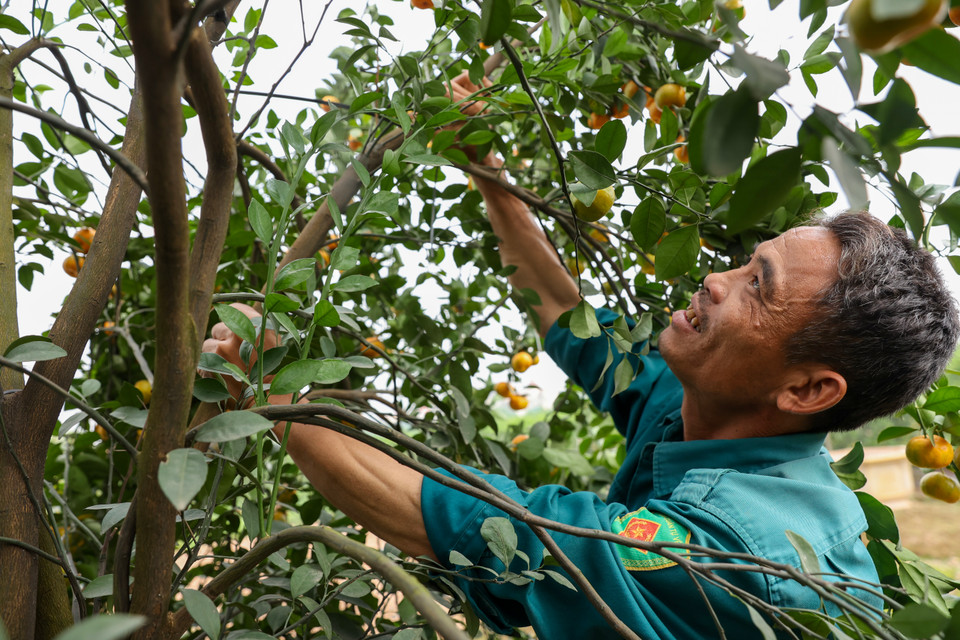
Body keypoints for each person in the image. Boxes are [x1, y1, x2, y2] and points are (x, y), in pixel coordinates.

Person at [203, 74, 960, 638]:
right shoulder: (700, 408)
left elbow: (485, 526)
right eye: (746, 260)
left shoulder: (736, 551)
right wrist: (486, 171)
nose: (716, 280)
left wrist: (270, 390)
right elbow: (569, 318)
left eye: (758, 286)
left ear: (807, 390)